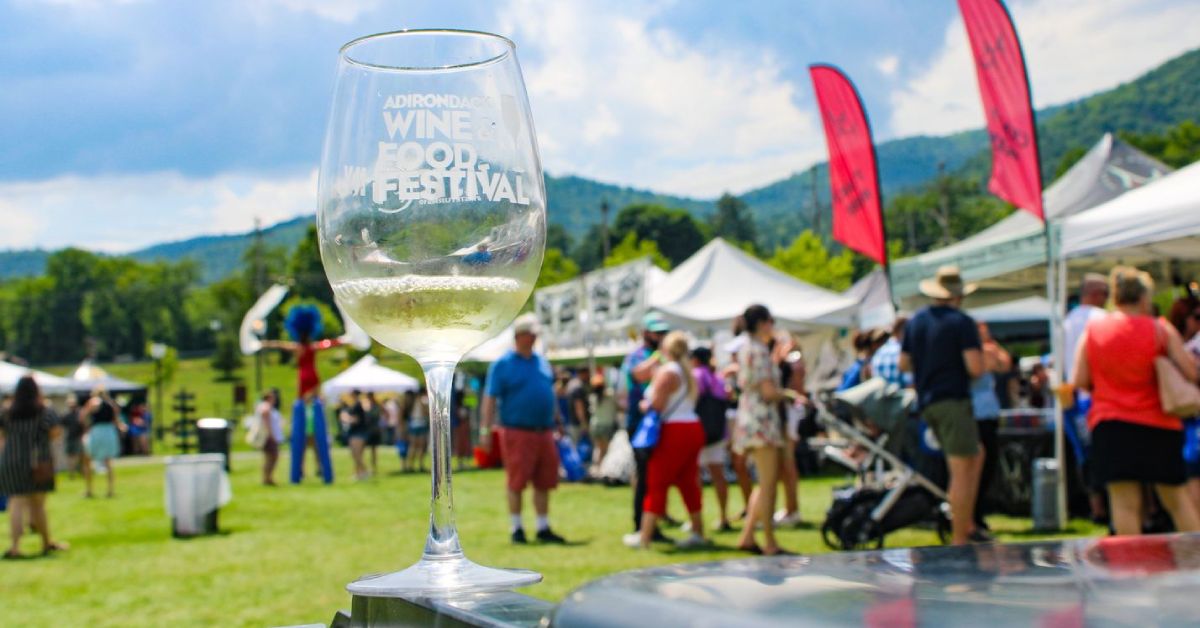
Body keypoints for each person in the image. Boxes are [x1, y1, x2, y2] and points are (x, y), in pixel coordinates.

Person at [1072, 266, 1200, 536]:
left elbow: (1080, 380)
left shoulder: (1093, 330)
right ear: (1144, 297)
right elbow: (1190, 372)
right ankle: (1196, 563)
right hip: (1159, 424)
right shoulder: (1159, 329)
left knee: (1124, 505)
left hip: (1111, 425)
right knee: (1177, 501)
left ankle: (1130, 573)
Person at [899, 266, 986, 545]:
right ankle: (960, 538)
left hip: (927, 402)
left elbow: (903, 364)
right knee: (961, 469)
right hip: (952, 400)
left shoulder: (916, 322)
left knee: (975, 455)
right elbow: (975, 367)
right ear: (958, 295)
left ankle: (967, 524)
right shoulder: (961, 323)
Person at [481, 314, 566, 544]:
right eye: (532, 333)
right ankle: (517, 528)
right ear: (520, 336)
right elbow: (489, 399)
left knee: (545, 480)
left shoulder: (541, 361)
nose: (536, 337)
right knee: (517, 481)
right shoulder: (503, 364)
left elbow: (548, 394)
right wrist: (485, 431)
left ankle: (542, 527)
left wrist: (558, 421)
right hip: (517, 430)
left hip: (544, 430)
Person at [624, 332, 708, 549]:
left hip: (673, 431)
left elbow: (656, 405)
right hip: (691, 428)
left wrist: (644, 405)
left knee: (657, 482)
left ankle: (645, 537)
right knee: (688, 482)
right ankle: (698, 531)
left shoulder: (669, 371)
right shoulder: (687, 371)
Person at [733, 304, 792, 556]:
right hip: (762, 421)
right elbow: (768, 392)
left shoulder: (746, 348)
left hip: (748, 419)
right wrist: (789, 394)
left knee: (763, 481)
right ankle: (769, 541)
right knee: (769, 483)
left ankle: (748, 536)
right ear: (762, 323)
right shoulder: (758, 351)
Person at [260, 305, 342, 484]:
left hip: (305, 379)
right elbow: (328, 343)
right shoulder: (312, 347)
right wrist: (343, 341)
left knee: (302, 412)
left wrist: (265, 344)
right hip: (312, 378)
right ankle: (318, 468)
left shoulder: (298, 347)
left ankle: (302, 470)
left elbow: (280, 345)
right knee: (312, 407)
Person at [1, 376, 68, 559]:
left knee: (16, 502)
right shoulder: (44, 411)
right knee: (38, 504)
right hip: (38, 461)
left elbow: (1, 437)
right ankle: (46, 543)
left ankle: (14, 547)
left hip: (11, 460)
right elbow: (56, 432)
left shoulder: (6, 412)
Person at [619, 312, 672, 541]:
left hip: (658, 422)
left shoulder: (663, 357)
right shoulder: (637, 355)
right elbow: (637, 374)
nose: (661, 336)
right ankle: (642, 525)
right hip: (639, 424)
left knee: (656, 475)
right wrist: (660, 356)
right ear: (645, 333)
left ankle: (653, 523)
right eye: (657, 332)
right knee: (644, 475)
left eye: (664, 333)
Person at [972, 322, 1010, 534]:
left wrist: (991, 345)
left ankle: (977, 514)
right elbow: (991, 364)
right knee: (979, 467)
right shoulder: (975, 354)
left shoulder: (987, 349)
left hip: (988, 414)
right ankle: (974, 515)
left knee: (988, 466)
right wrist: (989, 349)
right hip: (976, 415)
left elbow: (1005, 364)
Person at [692, 346, 733, 531]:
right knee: (719, 475)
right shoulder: (717, 377)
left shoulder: (696, 375)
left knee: (696, 477)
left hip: (700, 432)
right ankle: (723, 516)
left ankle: (696, 519)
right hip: (718, 432)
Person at [82, 387, 126, 499]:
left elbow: (83, 416)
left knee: (87, 460)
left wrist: (87, 427)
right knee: (108, 463)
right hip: (109, 432)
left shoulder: (93, 401)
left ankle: (89, 490)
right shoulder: (111, 404)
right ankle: (110, 490)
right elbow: (117, 420)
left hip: (97, 431)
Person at [587, 373, 619, 470]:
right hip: (606, 426)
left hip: (595, 426)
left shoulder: (592, 397)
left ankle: (597, 468)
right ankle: (602, 469)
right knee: (605, 450)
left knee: (599, 449)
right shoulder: (610, 395)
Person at [871, 317, 911, 388]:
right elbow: (910, 382)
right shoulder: (903, 352)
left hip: (882, 398)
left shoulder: (878, 353)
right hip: (902, 397)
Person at [341, 390, 371, 480]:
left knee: (356, 455)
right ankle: (359, 473)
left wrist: (347, 419)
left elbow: (357, 419)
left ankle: (365, 471)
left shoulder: (358, 405)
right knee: (357, 455)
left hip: (357, 432)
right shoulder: (358, 404)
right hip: (357, 432)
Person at [257, 388, 284, 486]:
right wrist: (271, 435)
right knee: (271, 457)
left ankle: (268, 477)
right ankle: (267, 478)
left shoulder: (267, 407)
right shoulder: (266, 407)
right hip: (269, 436)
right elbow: (267, 422)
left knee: (271, 457)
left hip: (271, 436)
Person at [407, 387, 430, 472]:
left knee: (412, 446)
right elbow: (425, 412)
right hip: (421, 423)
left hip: (413, 423)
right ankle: (420, 465)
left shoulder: (412, 400)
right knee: (421, 446)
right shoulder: (423, 400)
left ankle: (410, 465)